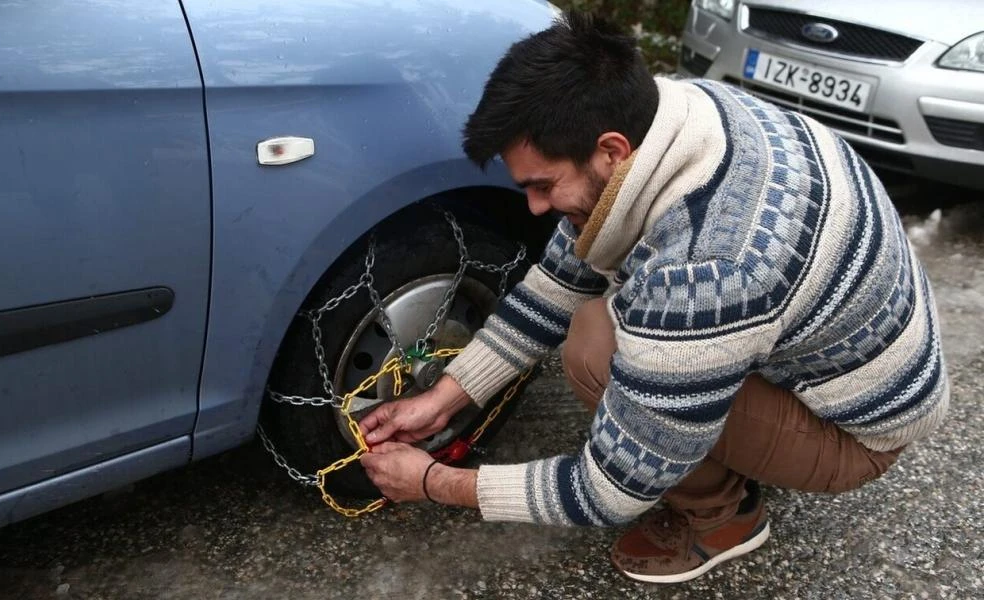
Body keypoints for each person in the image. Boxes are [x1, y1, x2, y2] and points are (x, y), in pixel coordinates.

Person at [358, 11, 949, 584]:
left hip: (860, 431)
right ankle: (720, 437)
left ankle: (724, 522)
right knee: (623, 330)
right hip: (866, 352)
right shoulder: (677, 112)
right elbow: (561, 280)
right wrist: (446, 397)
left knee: (596, 348)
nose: (535, 208)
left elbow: (611, 490)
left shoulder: (709, 269)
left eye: (543, 185)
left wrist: (434, 481)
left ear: (611, 151)